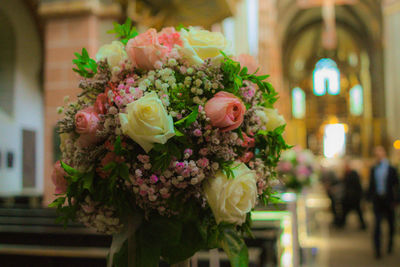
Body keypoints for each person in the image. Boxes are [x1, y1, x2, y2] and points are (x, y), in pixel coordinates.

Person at [368, 146, 399, 259]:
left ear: (384, 154)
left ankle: (390, 245)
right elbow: (371, 185)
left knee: (391, 225)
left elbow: (396, 185)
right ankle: (377, 250)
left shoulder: (391, 169)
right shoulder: (374, 169)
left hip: (389, 200)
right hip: (378, 200)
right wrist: (369, 199)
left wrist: (396, 200)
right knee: (377, 225)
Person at [340, 159, 366, 229]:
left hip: (354, 196)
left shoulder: (353, 174)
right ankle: (342, 222)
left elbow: (357, 185)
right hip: (350, 196)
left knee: (357, 211)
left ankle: (363, 225)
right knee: (348, 210)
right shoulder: (347, 173)